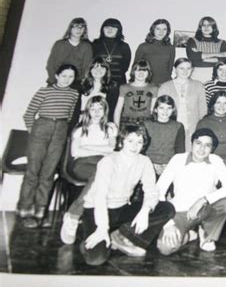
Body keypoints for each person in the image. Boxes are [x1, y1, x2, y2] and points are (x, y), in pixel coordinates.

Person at [80, 125, 175, 266]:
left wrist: (145, 210)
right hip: (97, 210)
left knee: (167, 208)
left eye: (139, 142)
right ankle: (92, 238)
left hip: (122, 208)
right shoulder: (108, 161)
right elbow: (100, 197)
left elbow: (151, 191)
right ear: (121, 142)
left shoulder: (144, 161)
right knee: (96, 259)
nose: (135, 146)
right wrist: (102, 228)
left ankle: (122, 237)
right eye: (130, 141)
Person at [156, 128, 226, 255]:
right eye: (198, 143)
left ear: (212, 148)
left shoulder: (215, 160)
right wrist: (168, 224)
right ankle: (189, 234)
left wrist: (203, 200)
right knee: (165, 248)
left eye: (207, 145)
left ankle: (207, 233)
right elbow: (158, 191)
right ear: (192, 143)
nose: (202, 149)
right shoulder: (178, 159)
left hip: (207, 209)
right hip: (181, 211)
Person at [17, 64, 79, 228]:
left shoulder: (73, 94)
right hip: (41, 128)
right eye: (64, 75)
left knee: (48, 173)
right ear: (57, 76)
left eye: (71, 77)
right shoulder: (44, 91)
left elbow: (70, 114)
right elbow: (28, 114)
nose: (67, 80)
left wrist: (60, 128)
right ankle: (24, 210)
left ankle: (40, 212)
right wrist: (35, 132)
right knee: (33, 172)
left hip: (60, 130)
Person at [60, 96, 117, 245]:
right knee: (100, 176)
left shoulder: (110, 127)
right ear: (88, 111)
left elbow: (112, 149)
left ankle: (73, 215)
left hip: (103, 164)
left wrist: (87, 147)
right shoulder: (80, 128)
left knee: (100, 175)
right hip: (82, 165)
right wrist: (100, 150)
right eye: (93, 108)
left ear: (105, 110)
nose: (96, 112)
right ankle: (76, 215)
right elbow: (75, 153)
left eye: (100, 108)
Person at [158, 58, 207, 151]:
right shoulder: (165, 86)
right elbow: (159, 110)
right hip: (170, 128)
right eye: (181, 68)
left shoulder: (199, 86)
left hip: (192, 129)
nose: (185, 71)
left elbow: (203, 111)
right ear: (174, 69)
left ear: (192, 70)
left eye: (188, 68)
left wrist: (200, 130)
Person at [92, 18, 131, 115]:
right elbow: (91, 65)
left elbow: (125, 67)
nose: (110, 30)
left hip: (117, 83)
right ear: (102, 29)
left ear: (118, 30)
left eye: (113, 27)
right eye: (107, 27)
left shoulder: (124, 46)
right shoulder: (95, 45)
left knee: (113, 112)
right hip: (98, 82)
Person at [143, 95, 185, 177]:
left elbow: (180, 151)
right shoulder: (147, 125)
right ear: (155, 109)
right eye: (161, 108)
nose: (165, 111)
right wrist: (150, 166)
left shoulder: (178, 126)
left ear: (173, 110)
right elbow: (142, 149)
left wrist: (171, 167)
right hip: (149, 165)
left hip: (169, 166)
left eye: (169, 108)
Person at [45, 17, 93, 88]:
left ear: (84, 30)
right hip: (55, 82)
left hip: (75, 84)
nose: (79, 30)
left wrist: (72, 83)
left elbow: (86, 69)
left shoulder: (87, 47)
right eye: (76, 27)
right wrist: (56, 82)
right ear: (70, 29)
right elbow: (50, 65)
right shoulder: (59, 44)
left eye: (81, 27)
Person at [196, 91, 226, 159]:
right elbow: (198, 147)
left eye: (225, 103)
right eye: (218, 103)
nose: (222, 106)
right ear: (213, 105)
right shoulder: (203, 123)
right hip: (209, 161)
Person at [113, 59, 158, 128]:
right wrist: (116, 127)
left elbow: (152, 111)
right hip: (127, 122)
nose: (141, 73)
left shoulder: (154, 88)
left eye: (144, 70)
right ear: (133, 72)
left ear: (148, 73)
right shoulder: (124, 87)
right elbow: (118, 109)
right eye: (138, 70)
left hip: (146, 122)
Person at [186, 16, 226, 83]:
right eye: (204, 25)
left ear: (213, 27)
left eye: (209, 25)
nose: (206, 28)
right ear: (200, 27)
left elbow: (225, 60)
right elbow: (193, 58)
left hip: (217, 74)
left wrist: (202, 56)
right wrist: (218, 54)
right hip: (197, 74)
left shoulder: (222, 42)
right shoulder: (192, 40)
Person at [133, 19, 175, 87]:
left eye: (164, 29)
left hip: (165, 83)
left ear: (167, 31)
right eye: (158, 29)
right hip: (147, 83)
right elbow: (135, 67)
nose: (161, 32)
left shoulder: (171, 48)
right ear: (153, 29)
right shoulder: (143, 46)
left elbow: (170, 68)